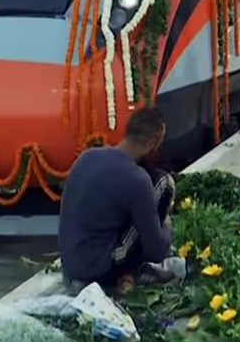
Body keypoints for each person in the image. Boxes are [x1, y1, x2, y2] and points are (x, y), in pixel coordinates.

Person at [58, 107, 175, 295]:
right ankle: (134, 271)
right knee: (164, 183)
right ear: (152, 143)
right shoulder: (137, 179)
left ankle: (124, 271)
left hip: (70, 267)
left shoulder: (87, 156)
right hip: (96, 272)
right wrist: (166, 227)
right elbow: (157, 252)